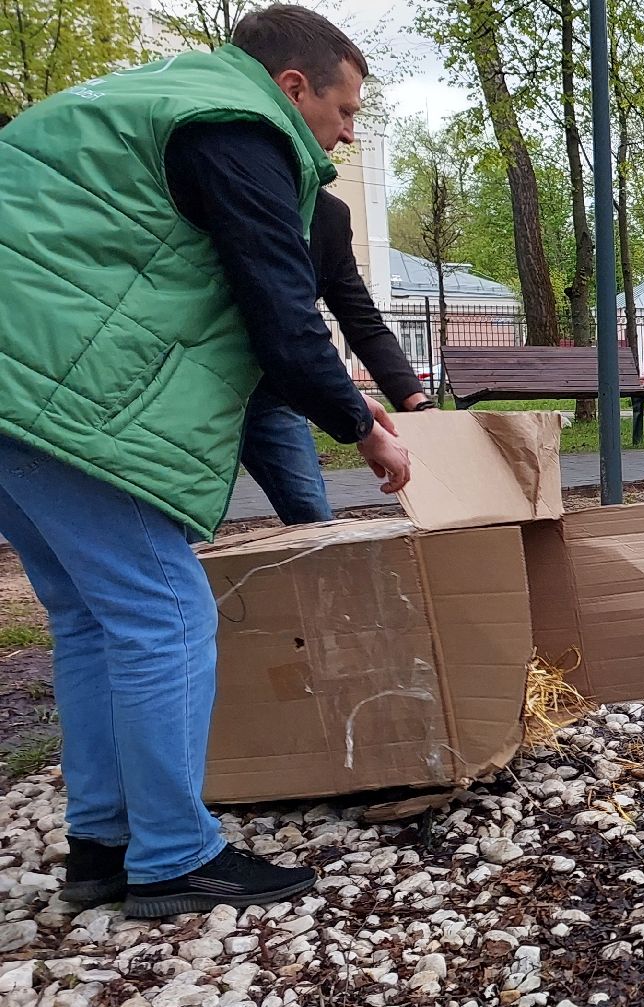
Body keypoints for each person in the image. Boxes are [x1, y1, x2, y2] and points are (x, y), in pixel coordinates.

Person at [0, 4, 411, 916]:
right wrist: (361, 423)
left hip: (15, 384)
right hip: (49, 389)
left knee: (91, 620)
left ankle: (102, 844)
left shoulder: (145, 100)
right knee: (163, 610)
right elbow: (277, 298)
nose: (345, 136)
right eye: (344, 112)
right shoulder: (235, 122)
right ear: (293, 84)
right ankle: (176, 855)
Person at [243, 188, 434, 524]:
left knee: (313, 516)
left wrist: (418, 403)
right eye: (343, 128)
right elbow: (285, 324)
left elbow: (363, 321)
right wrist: (358, 419)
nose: (348, 134)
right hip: (206, 384)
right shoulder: (249, 193)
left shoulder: (329, 216)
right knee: (184, 527)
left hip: (274, 390)